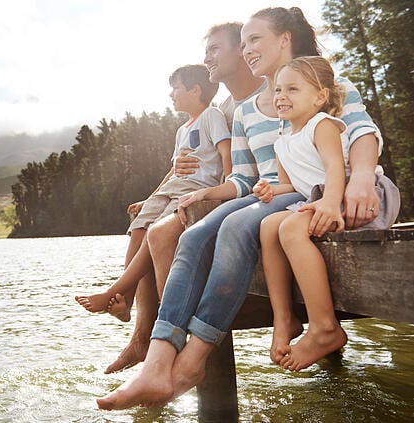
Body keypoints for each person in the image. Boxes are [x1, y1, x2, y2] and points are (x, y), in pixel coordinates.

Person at [97, 6, 386, 410]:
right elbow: (246, 179)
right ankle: (159, 359)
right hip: (273, 193)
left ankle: (194, 359)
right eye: (244, 42)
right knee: (195, 235)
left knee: (234, 228)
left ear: (285, 39)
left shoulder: (327, 86)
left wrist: (359, 180)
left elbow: (361, 134)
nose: (247, 49)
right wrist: (206, 194)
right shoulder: (248, 110)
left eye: (254, 40)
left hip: (315, 193)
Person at [102, 22, 266, 374]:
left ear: (241, 50)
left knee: (161, 232)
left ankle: (163, 343)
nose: (206, 57)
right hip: (223, 193)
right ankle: (143, 338)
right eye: (205, 50)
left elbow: (233, 165)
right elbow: (206, 153)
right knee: (147, 226)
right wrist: (176, 168)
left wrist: (214, 190)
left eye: (214, 49)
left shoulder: (272, 92)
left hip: (251, 197)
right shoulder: (222, 107)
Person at [257, 56, 400, 371]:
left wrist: (331, 203)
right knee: (269, 225)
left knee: (291, 228)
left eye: (292, 89)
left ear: (319, 97)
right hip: (321, 198)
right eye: (278, 89)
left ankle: (325, 327)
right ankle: (285, 318)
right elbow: (290, 185)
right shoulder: (282, 143)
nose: (281, 96)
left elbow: (335, 167)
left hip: (354, 195)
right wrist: (269, 190)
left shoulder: (321, 125)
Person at [75, 64, 232, 322]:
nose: (171, 95)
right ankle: (126, 301)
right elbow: (173, 171)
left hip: (195, 189)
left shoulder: (211, 117)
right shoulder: (182, 129)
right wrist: (152, 197)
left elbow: (225, 152)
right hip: (172, 188)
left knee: (153, 233)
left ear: (195, 90)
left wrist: (225, 189)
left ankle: (115, 292)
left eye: (175, 89)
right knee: (138, 229)